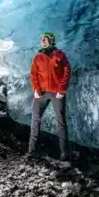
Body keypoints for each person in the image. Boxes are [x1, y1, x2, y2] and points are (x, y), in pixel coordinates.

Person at [27, 32, 71, 161]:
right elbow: (33, 74)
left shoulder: (59, 55)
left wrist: (62, 89)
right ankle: (32, 151)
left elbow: (67, 71)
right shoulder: (38, 57)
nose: (43, 41)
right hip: (41, 93)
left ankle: (64, 154)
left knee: (61, 122)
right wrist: (35, 89)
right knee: (35, 120)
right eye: (42, 39)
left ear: (51, 40)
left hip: (57, 93)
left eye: (45, 39)